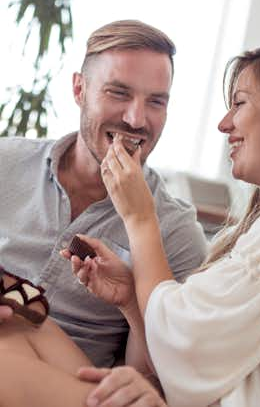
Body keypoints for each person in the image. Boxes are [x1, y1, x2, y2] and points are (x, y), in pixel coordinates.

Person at [1, 43, 260, 407]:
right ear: (79, 90)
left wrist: (140, 219)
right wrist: (132, 301)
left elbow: (184, 349)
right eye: (119, 92)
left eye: (239, 103)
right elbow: (199, 348)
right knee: (19, 323)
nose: (223, 123)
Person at [0, 19, 207, 368]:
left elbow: (159, 379)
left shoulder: (177, 232)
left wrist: (132, 304)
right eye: (119, 93)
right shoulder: (6, 163)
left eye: (156, 101)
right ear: (80, 90)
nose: (136, 119)